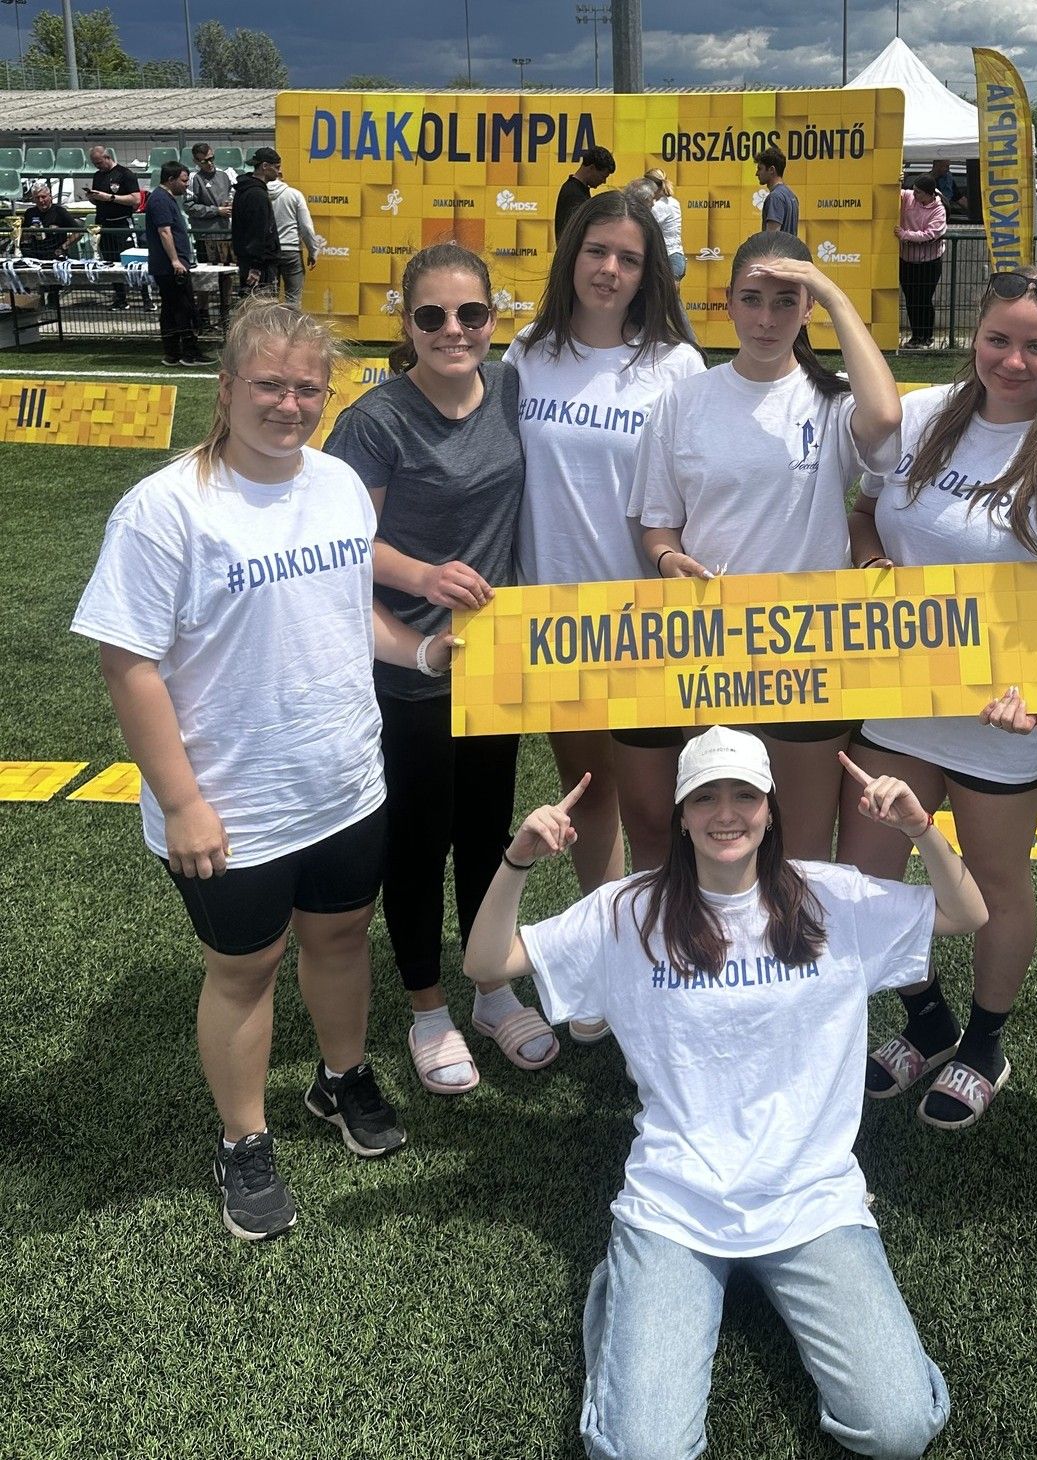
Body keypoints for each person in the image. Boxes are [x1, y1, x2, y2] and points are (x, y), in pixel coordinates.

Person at [463, 726, 986, 1460]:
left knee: (899, 1430)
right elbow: (486, 962)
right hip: (677, 1203)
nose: (727, 813)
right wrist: (517, 859)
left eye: (745, 795)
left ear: (771, 809)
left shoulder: (831, 898)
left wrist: (921, 829)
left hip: (809, 1199)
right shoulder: (628, 912)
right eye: (706, 797)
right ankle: (630, 1279)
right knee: (642, 1452)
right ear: (680, 815)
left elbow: (967, 915)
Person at [70, 299, 448, 1241]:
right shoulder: (165, 509)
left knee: (342, 938)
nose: (289, 404)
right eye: (270, 384)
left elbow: (344, 612)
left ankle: (341, 1077)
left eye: (307, 388)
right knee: (245, 970)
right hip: (230, 805)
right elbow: (128, 663)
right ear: (227, 386)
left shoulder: (338, 485)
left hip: (344, 781)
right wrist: (182, 803)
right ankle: (244, 1138)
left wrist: (420, 653)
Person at [842, 268, 1037, 1130]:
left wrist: (1036, 684)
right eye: (999, 339)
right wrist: (873, 567)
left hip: (1001, 720)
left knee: (996, 885)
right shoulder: (921, 415)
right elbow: (863, 513)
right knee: (868, 875)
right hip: (899, 696)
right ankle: (926, 1019)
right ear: (975, 335)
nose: (1013, 360)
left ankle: (983, 1043)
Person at [325, 241, 552, 1097]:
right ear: (406, 322)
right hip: (408, 662)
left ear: (495, 319)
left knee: (488, 834)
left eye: (471, 313)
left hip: (493, 663)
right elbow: (340, 543)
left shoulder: (513, 390)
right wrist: (423, 577)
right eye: (432, 315)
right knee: (418, 841)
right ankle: (427, 1005)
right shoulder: (376, 420)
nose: (453, 330)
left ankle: (490, 988)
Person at [629, 230, 903, 866]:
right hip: (710, 647)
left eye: (787, 302)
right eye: (751, 300)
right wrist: (668, 559)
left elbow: (887, 420)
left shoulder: (832, 399)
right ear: (727, 302)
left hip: (809, 649)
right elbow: (658, 526)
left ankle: (796, 936)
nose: (766, 319)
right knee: (719, 844)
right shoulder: (684, 401)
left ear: (808, 310)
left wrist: (834, 295)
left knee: (802, 849)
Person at [503, 188, 704, 1041]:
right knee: (587, 798)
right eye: (596, 252)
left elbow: (693, 494)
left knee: (656, 810)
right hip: (553, 622)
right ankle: (614, 954)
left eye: (629, 257)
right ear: (570, 257)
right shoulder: (527, 353)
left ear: (648, 270)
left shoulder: (675, 365)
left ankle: (666, 950)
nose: (610, 269)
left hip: (647, 623)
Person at [145, 161, 210, 368]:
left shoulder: (163, 198)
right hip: (170, 266)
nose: (187, 184)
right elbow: (165, 231)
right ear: (171, 179)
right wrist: (175, 260)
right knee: (183, 307)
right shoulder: (160, 200)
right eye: (183, 180)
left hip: (169, 265)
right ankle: (189, 353)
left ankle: (172, 353)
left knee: (171, 309)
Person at [85, 144, 141, 310]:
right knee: (110, 262)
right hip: (104, 224)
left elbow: (136, 199)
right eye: (95, 164)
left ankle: (146, 298)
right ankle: (120, 298)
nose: (97, 166)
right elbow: (99, 200)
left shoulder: (125, 174)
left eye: (99, 163)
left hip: (122, 224)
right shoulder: (97, 176)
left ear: (107, 157)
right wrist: (93, 197)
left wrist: (110, 197)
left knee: (132, 261)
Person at [895, 174, 947, 348]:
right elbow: (896, 192)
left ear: (929, 194)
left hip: (929, 262)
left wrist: (904, 234)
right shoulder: (909, 196)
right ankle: (916, 336)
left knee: (924, 299)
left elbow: (930, 234)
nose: (914, 194)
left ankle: (926, 337)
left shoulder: (939, 210)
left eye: (918, 192)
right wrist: (896, 179)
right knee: (911, 299)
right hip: (907, 259)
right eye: (914, 190)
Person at [268, 167, 323, 311]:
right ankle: (292, 325)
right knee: (293, 301)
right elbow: (306, 227)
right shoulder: (295, 195)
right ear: (281, 175)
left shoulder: (260, 195)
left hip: (268, 252)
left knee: (268, 301)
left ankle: (269, 325)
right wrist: (313, 251)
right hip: (291, 251)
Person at [231, 147, 283, 296]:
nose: (279, 171)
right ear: (265, 166)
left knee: (251, 304)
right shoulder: (257, 194)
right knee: (261, 305)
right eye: (276, 167)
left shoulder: (244, 190)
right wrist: (256, 266)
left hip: (248, 261)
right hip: (260, 266)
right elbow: (258, 232)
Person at [186, 142, 235, 265]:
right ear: (195, 161)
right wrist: (216, 211)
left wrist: (230, 203)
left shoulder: (224, 175)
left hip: (226, 233)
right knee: (208, 272)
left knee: (229, 271)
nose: (209, 163)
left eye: (211, 159)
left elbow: (231, 195)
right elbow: (189, 207)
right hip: (205, 236)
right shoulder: (194, 178)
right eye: (204, 161)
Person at [556, 146, 617, 240]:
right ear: (592, 168)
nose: (604, 181)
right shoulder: (574, 194)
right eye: (602, 176)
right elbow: (576, 233)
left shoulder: (576, 190)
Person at [19, 182, 83, 260]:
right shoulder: (30, 213)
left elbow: (79, 232)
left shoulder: (59, 211)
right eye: (37, 198)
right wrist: (29, 232)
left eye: (43, 197)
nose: (41, 200)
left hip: (54, 255)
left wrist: (63, 247)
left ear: (50, 197)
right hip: (34, 254)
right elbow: (21, 236)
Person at [644, 167, 686, 279]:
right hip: (676, 256)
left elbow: (644, 227)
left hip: (666, 258)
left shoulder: (658, 206)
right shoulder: (673, 202)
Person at [754, 145, 800, 236]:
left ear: (772, 170)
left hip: (777, 246)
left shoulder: (775, 197)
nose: (757, 174)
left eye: (760, 169)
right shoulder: (792, 196)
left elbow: (772, 238)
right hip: (789, 246)